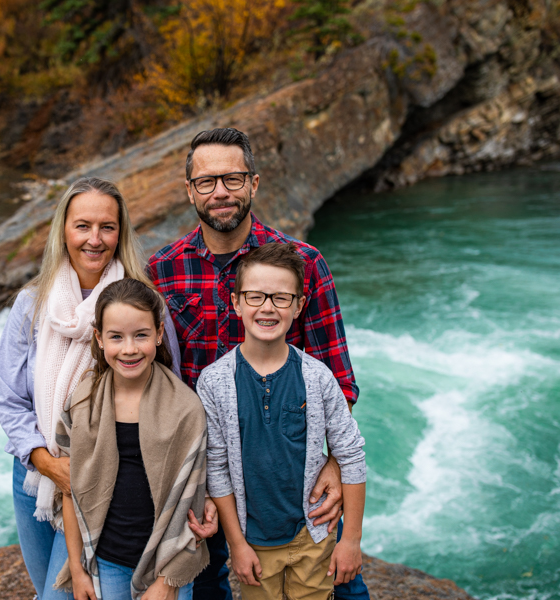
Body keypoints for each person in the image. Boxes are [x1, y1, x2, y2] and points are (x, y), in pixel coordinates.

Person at [146, 128, 369, 600]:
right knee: (208, 584)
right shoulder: (162, 270)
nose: (221, 192)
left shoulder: (303, 263)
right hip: (206, 468)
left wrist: (332, 460)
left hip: (290, 467)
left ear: (254, 183)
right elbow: (152, 375)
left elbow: (339, 380)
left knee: (343, 585)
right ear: (189, 191)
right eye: (207, 182)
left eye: (233, 178)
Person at [0, 177, 184, 600]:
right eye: (83, 226)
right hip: (36, 477)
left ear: (121, 233)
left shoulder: (145, 304)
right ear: (63, 229)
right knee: (46, 586)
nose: (94, 239)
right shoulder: (31, 304)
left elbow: (172, 394)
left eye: (107, 227)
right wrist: (48, 463)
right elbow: (8, 399)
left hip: (105, 484)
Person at [197, 243, 366, 600]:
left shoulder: (318, 378)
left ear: (300, 305)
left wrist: (350, 540)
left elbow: (351, 455)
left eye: (281, 298)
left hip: (313, 536)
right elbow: (217, 468)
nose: (268, 307)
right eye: (255, 296)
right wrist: (236, 544)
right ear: (235, 302)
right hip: (253, 544)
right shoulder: (213, 382)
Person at [53, 278, 210, 600]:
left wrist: (168, 580)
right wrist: (78, 569)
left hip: (166, 563)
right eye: (116, 337)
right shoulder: (81, 403)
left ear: (159, 334)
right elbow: (70, 490)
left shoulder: (185, 408)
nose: (129, 349)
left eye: (141, 335)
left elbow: (190, 507)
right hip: (107, 560)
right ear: (99, 338)